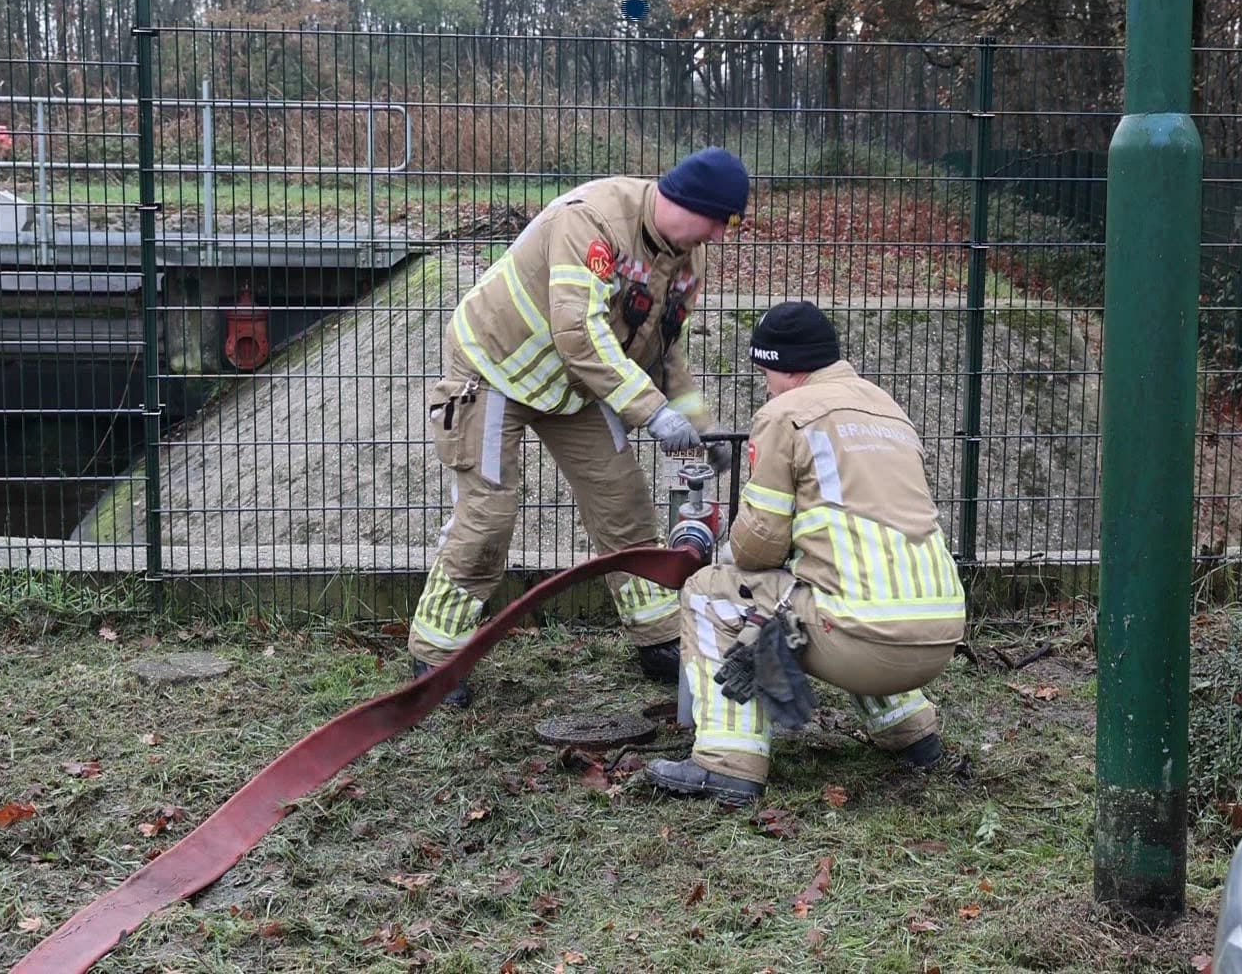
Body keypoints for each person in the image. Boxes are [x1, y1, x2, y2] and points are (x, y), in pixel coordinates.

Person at [407, 148, 749, 706]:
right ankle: (436, 655)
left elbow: (665, 351)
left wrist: (700, 430)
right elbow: (579, 334)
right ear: (688, 203)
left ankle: (658, 636)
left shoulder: (690, 258)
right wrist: (652, 411)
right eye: (720, 221)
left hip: (577, 387)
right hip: (495, 369)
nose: (722, 236)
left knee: (624, 503)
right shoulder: (590, 219)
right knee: (488, 516)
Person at [646, 301, 966, 805]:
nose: (765, 384)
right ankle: (913, 733)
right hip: (940, 634)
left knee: (710, 595)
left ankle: (726, 763)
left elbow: (760, 544)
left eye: (766, 371)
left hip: (862, 643)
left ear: (788, 367)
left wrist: (725, 554)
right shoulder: (887, 409)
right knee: (844, 585)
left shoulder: (786, 414)